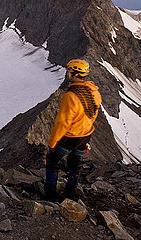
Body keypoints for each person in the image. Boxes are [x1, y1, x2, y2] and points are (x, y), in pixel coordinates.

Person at [44, 59, 102, 200]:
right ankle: (71, 192)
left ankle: (50, 194)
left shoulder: (70, 96)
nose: (67, 74)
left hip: (69, 137)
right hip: (85, 136)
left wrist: (52, 143)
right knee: (75, 165)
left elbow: (62, 123)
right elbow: (93, 114)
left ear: (74, 74)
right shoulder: (94, 93)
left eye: (69, 72)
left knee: (52, 161)